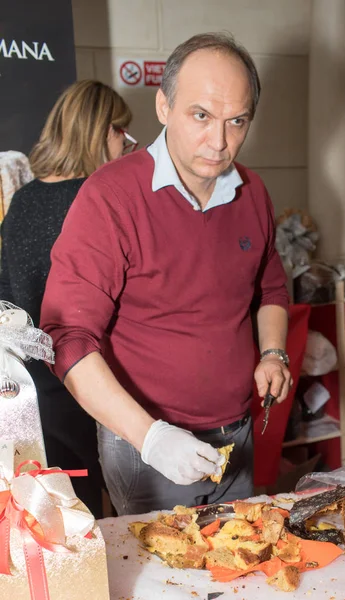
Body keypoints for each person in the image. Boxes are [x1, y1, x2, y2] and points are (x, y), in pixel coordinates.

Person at [40, 33, 292, 516]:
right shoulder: (110, 196)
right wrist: (151, 438)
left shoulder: (252, 192)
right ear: (163, 105)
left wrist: (273, 352)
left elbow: (271, 286)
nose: (219, 143)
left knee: (236, 573)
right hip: (144, 445)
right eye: (201, 116)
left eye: (236, 122)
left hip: (236, 434)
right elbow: (67, 337)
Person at [0, 80, 135, 517]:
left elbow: (5, 294)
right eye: (122, 133)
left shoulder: (22, 200)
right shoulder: (99, 199)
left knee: (69, 520)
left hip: (37, 388)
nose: (125, 145)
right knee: (127, 521)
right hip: (97, 377)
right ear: (101, 131)